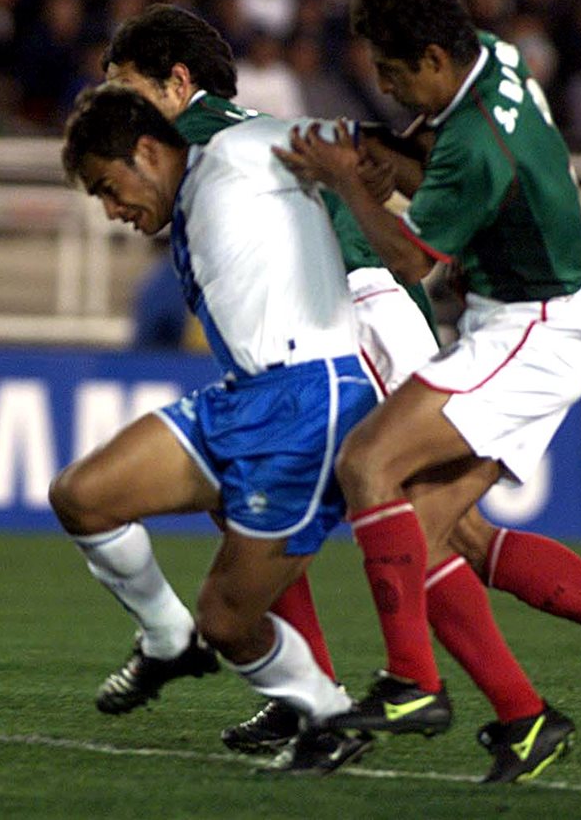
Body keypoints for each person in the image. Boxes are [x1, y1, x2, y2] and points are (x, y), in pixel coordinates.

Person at [275, 0, 581, 783]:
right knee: (429, 524)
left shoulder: (478, 145)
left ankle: (413, 683)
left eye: (395, 70)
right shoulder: (500, 63)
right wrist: (387, 153)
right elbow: (437, 160)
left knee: (369, 464)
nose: (386, 84)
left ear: (437, 57)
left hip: (529, 329)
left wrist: (347, 176)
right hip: (533, 319)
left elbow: (412, 260)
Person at [100, 2, 453, 758]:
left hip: (364, 314)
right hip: (344, 311)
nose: (118, 109)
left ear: (176, 83)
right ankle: (309, 696)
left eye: (126, 90)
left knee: (445, 527)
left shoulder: (191, 134)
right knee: (241, 497)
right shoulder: (239, 128)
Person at [54, 83, 381, 775]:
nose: (113, 211)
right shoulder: (199, 190)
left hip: (310, 404)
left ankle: (329, 717)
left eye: (110, 188)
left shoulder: (235, 154)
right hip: (245, 400)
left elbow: (355, 137)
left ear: (148, 150)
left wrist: (443, 164)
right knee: (84, 495)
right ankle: (167, 637)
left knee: (230, 620)